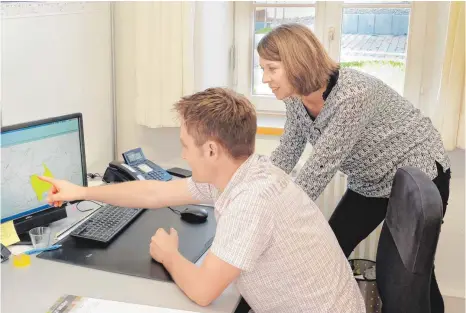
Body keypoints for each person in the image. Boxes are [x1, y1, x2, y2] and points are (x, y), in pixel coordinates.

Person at [40, 88, 365, 313]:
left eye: (185, 145)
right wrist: (81, 192)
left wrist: (169, 255)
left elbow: (203, 291)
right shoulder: (242, 172)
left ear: (211, 150)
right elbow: (154, 191)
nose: (182, 155)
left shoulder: (251, 200)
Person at [258, 23, 451, 313]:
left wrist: (269, 218)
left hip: (419, 176)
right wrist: (256, 192)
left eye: (271, 69)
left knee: (408, 276)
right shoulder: (295, 99)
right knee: (331, 250)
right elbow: (287, 153)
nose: (265, 79)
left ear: (298, 63)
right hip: (370, 184)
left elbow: (319, 169)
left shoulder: (353, 95)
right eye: (262, 69)